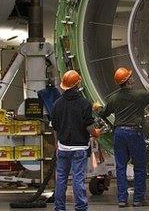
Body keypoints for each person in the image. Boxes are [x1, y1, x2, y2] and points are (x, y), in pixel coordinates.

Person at [93, 67, 149, 208]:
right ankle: (138, 199)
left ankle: (122, 200)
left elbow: (103, 114)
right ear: (129, 80)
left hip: (119, 133)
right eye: (131, 76)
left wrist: (97, 108)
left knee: (120, 168)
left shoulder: (113, 98)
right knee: (139, 167)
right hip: (134, 133)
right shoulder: (140, 95)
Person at [51, 70, 100, 211]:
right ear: (77, 83)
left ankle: (59, 207)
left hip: (63, 148)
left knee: (61, 179)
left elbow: (55, 127)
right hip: (79, 148)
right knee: (78, 179)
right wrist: (96, 133)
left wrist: (57, 145)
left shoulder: (57, 104)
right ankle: (81, 208)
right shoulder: (84, 103)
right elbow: (89, 126)